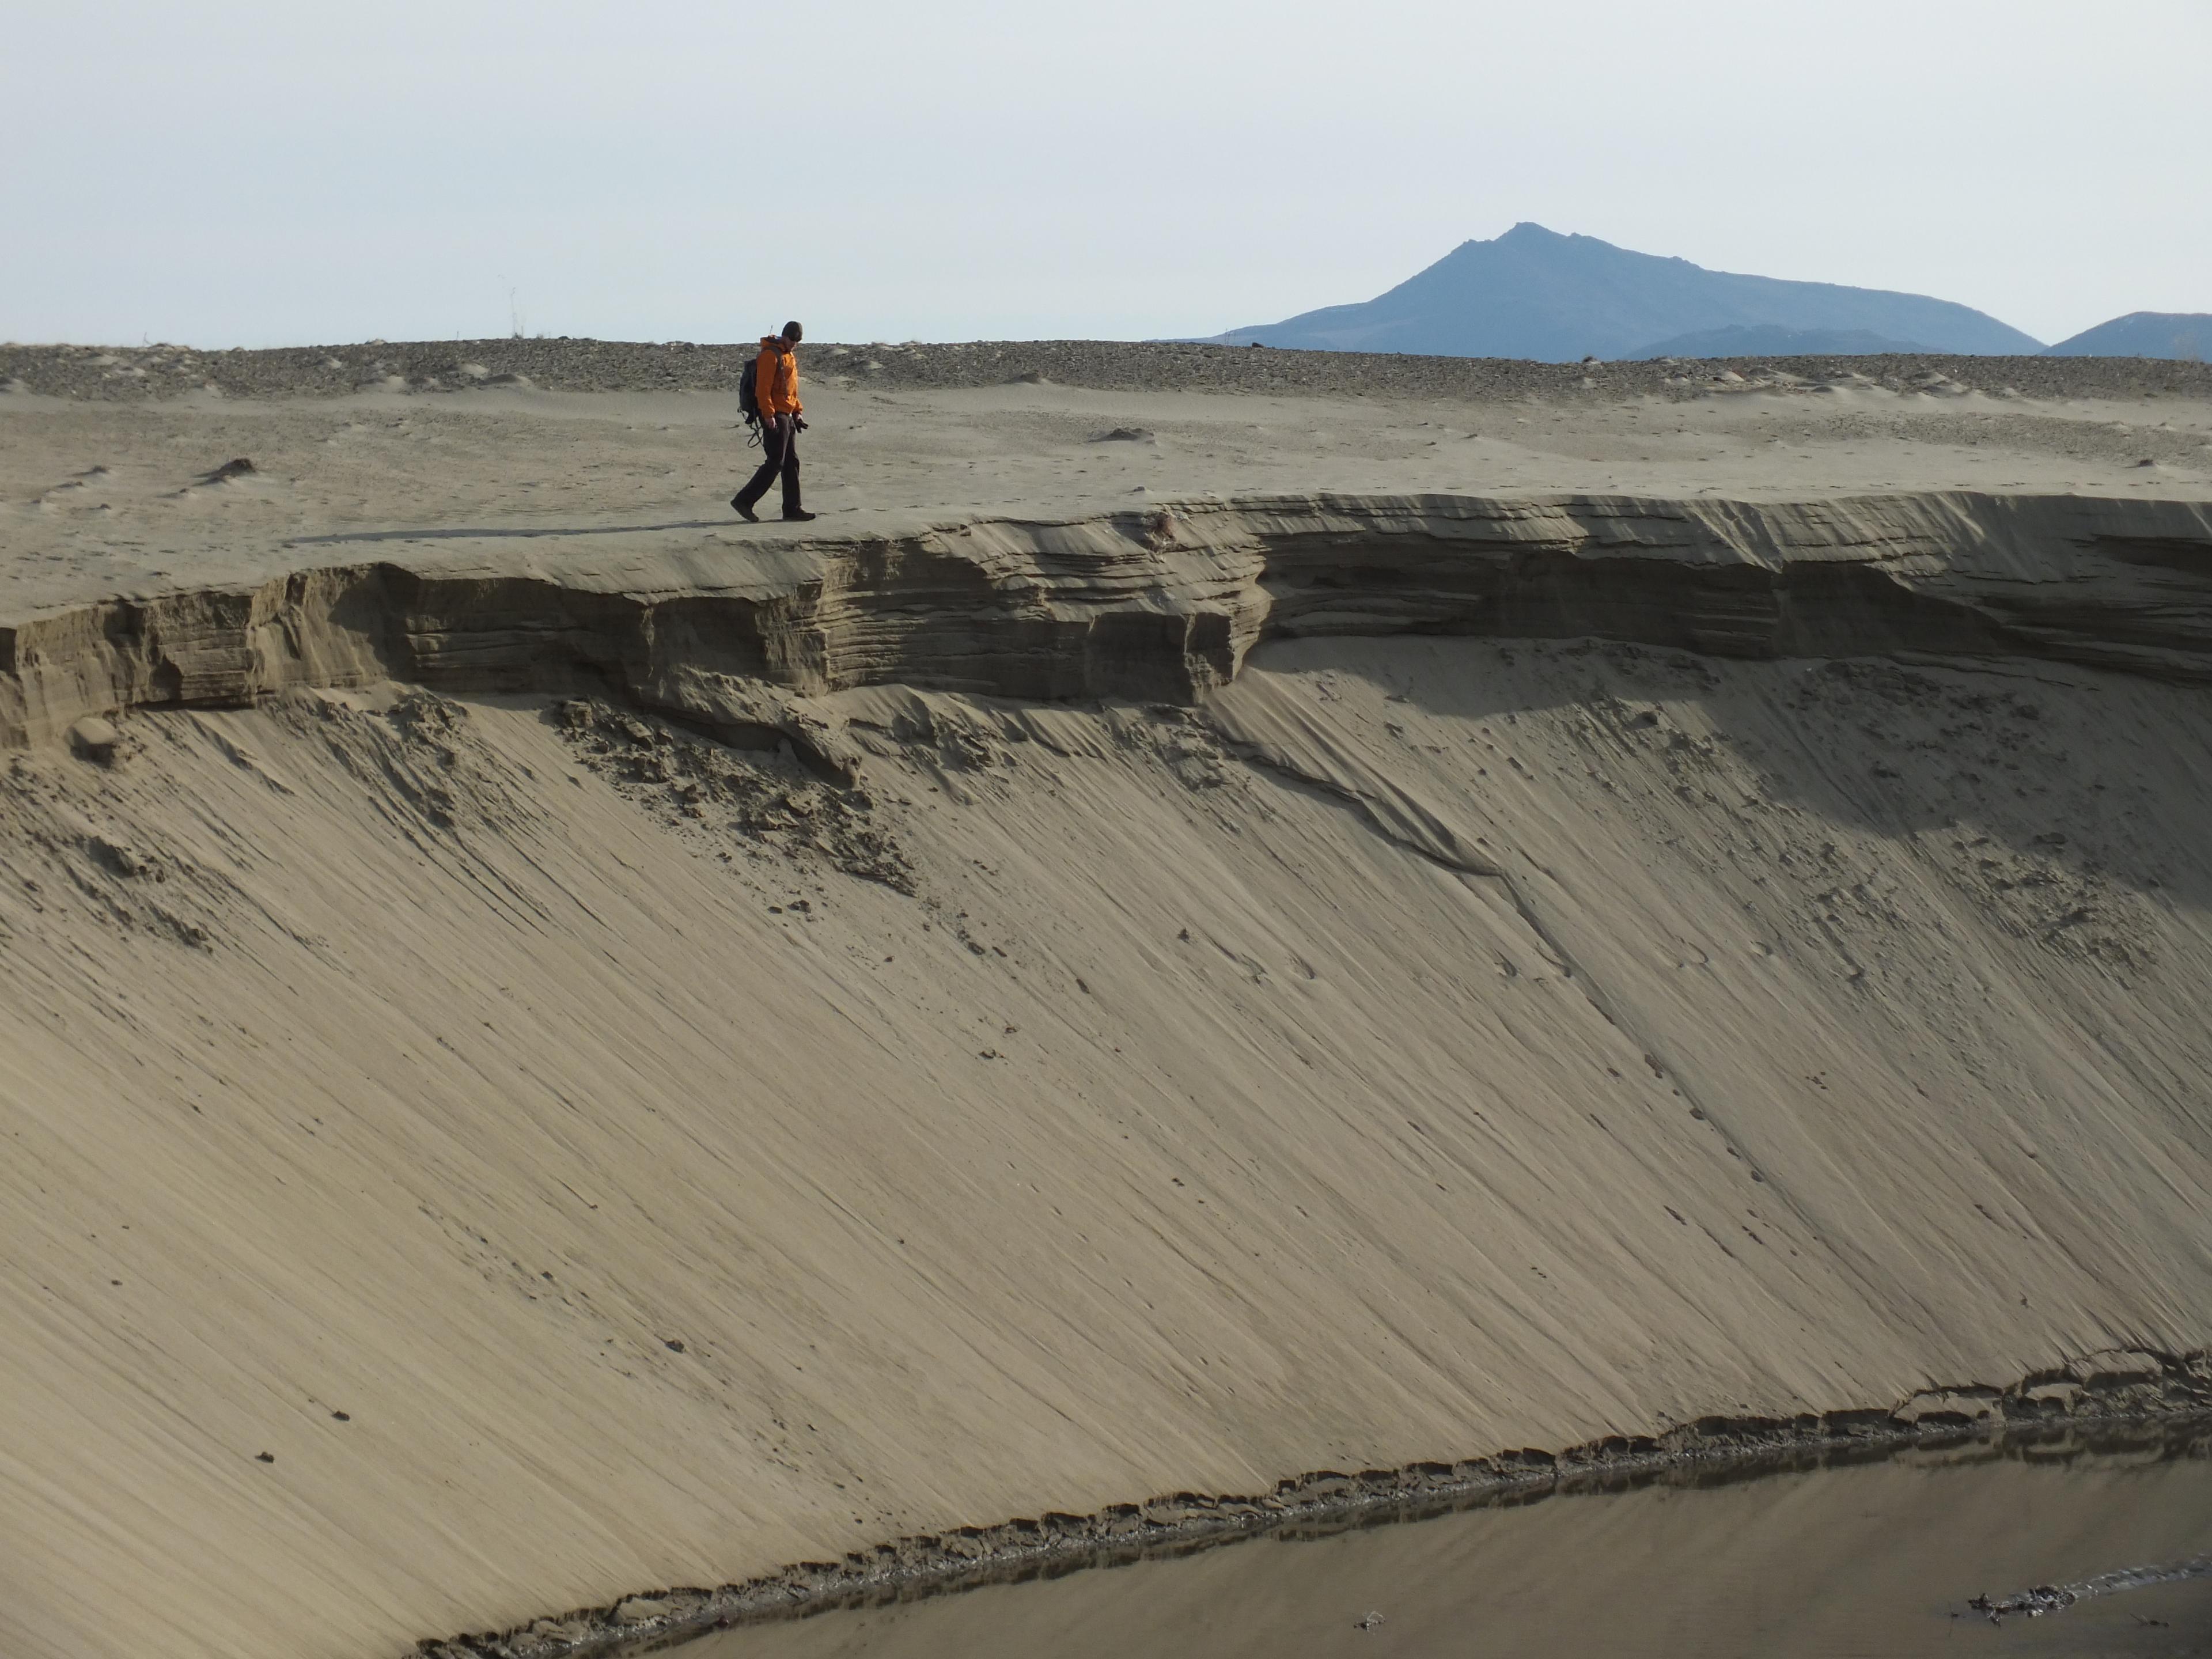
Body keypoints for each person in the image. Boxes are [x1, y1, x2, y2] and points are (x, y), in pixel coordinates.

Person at [732, 320, 816, 522]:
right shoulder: (770, 356)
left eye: (798, 340)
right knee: (776, 462)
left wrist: (797, 411)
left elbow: (790, 390)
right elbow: (763, 389)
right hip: (775, 415)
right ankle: (744, 501)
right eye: (792, 339)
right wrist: (768, 415)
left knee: (791, 462)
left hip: (786, 414)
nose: (795, 343)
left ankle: (792, 509)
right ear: (784, 336)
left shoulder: (789, 356)